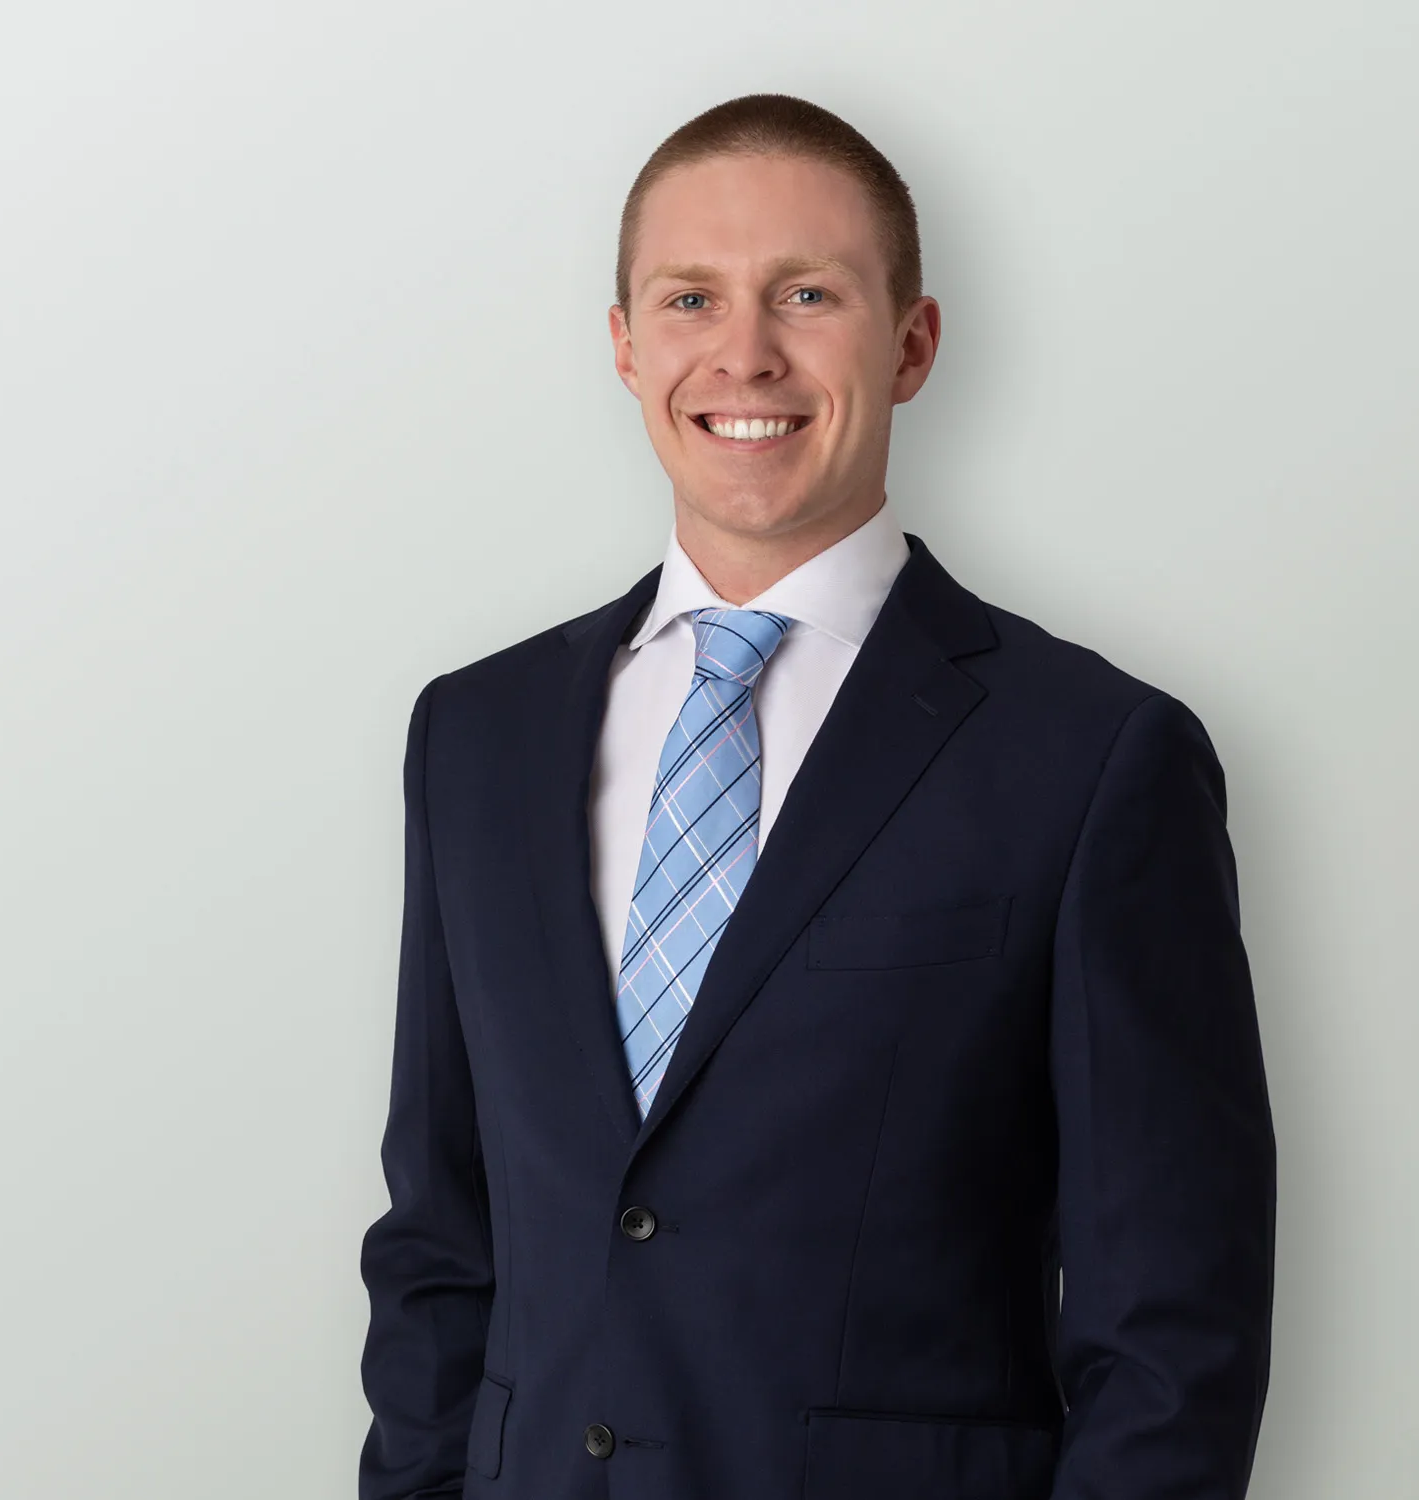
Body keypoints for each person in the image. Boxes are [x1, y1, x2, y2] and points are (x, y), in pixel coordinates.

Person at [358, 92, 1276, 1500]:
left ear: (911, 343)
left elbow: (1172, 1330)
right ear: (624, 345)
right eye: (690, 298)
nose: (745, 354)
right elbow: (441, 1239)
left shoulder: (1094, 758)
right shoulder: (475, 738)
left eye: (807, 293)